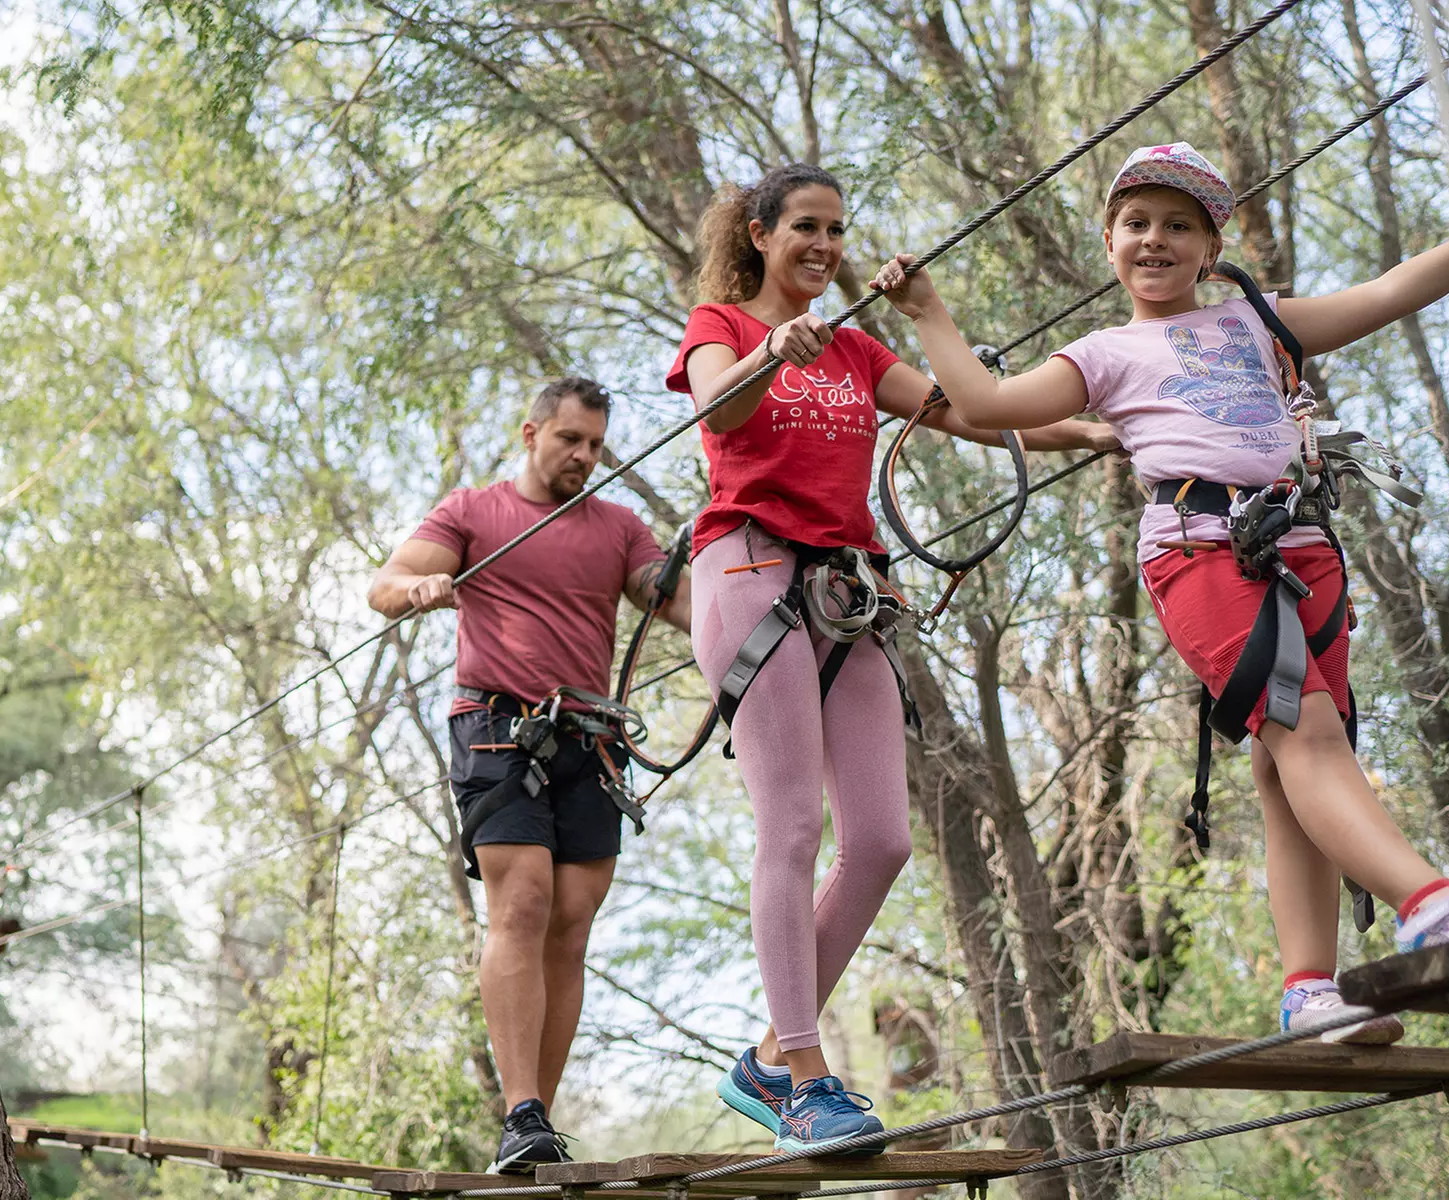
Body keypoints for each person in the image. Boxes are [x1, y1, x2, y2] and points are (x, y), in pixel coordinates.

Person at [934, 142, 1449, 1045]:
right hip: (1200, 550)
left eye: (1178, 226)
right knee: (1307, 735)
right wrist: (925, 310)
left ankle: (1308, 989)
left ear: (1211, 245)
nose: (1154, 240)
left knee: (1290, 772)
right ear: (1109, 240)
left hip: (1301, 548)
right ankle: (1434, 906)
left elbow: (1390, 290)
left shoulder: (1260, 323)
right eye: (1136, 224)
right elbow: (987, 401)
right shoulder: (1106, 353)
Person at [667, 163, 1117, 1152]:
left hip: (846, 593)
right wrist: (771, 353)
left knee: (879, 840)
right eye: (802, 228)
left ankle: (762, 1061)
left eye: (835, 229)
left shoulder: (859, 349)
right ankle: (803, 1071)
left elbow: (967, 413)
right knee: (791, 824)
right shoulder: (723, 327)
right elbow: (714, 413)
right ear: (756, 234)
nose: (823, 247)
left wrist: (1088, 429)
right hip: (748, 571)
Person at [368, 377, 690, 1172]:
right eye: (570, 439)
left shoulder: (617, 528)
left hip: (589, 736)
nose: (584, 456)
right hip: (497, 730)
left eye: (595, 445)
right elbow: (383, 587)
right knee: (525, 902)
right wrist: (422, 587)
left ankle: (534, 1137)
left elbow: (672, 599)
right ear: (531, 434)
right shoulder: (475, 513)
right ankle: (523, 1113)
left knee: (572, 919)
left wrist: (726, 557)